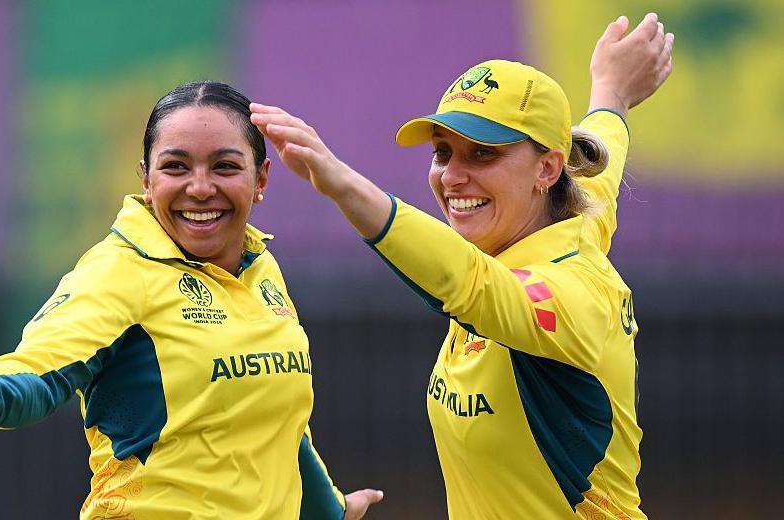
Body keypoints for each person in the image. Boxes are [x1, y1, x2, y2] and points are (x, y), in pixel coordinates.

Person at [0, 81, 383, 520]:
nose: (200, 188)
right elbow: (39, 377)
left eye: (225, 166)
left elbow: (276, 423)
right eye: (176, 167)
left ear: (261, 179)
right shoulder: (117, 272)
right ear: (146, 180)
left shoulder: (262, 268)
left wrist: (330, 509)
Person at [250, 14, 673, 519]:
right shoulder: (570, 221)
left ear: (546, 168)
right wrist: (611, 92)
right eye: (443, 152)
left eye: (482, 154)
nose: (452, 176)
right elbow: (601, 162)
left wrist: (342, 184)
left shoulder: (575, 293)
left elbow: (470, 284)